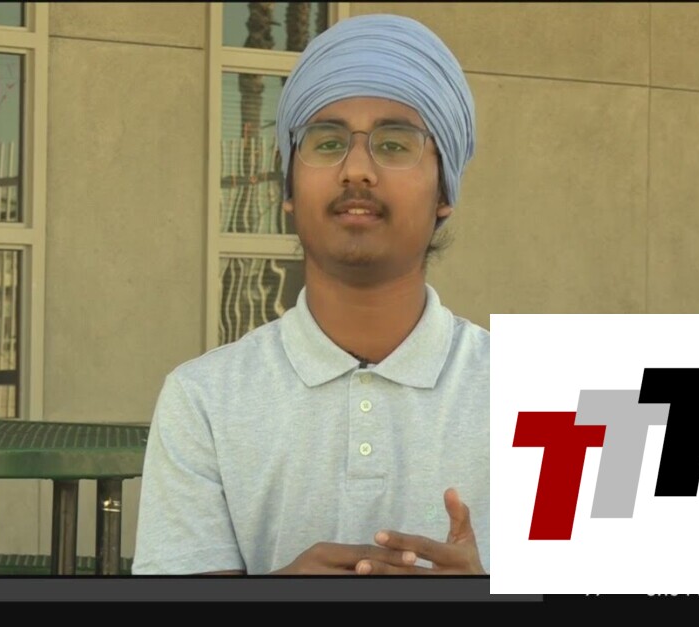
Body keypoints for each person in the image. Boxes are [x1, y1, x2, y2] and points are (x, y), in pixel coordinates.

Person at [132, 13, 489, 576]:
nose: (357, 170)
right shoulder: (202, 401)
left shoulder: (549, 396)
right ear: (288, 189)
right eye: (327, 143)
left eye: (394, 144)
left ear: (445, 190)